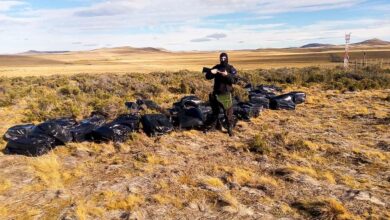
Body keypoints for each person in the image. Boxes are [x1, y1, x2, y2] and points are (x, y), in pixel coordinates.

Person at [204, 52, 238, 136]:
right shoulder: (217, 67)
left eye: (224, 58)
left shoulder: (230, 68)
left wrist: (227, 75)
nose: (223, 60)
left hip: (226, 94)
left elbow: (235, 80)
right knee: (215, 112)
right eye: (221, 58)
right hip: (216, 93)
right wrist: (212, 72)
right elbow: (207, 77)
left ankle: (230, 129)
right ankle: (213, 127)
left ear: (227, 58)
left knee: (228, 113)